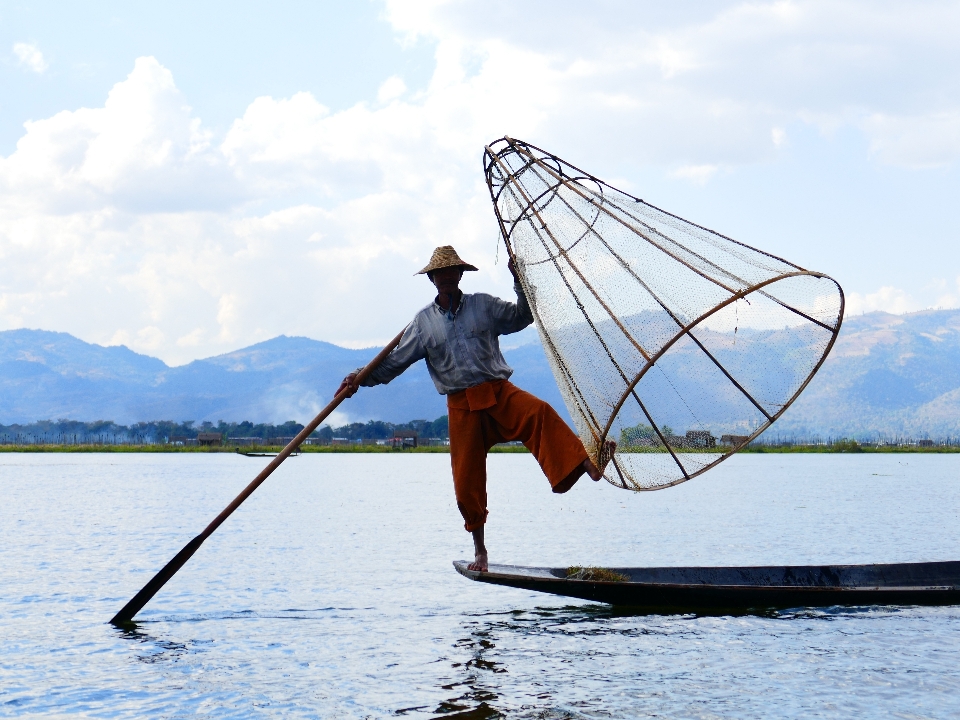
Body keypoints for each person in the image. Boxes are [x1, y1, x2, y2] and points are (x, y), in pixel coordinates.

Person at [336, 246, 613, 572]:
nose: (448, 278)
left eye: (453, 272)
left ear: (460, 275)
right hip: (461, 407)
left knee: (539, 413)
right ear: (433, 280)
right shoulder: (423, 324)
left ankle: (588, 465)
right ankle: (480, 552)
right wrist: (359, 378)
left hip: (498, 392)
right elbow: (393, 363)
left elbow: (523, 316)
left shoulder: (483, 305)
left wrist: (519, 280)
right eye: (441, 274)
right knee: (467, 483)